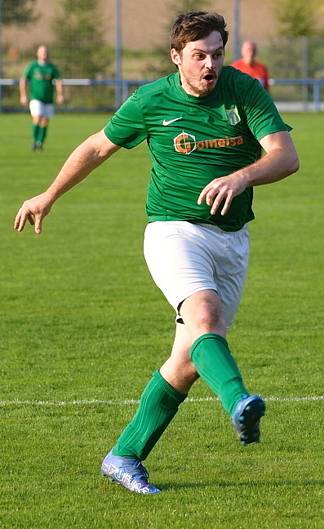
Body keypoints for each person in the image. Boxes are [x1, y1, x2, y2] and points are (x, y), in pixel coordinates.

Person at [13, 11, 299, 494]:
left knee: (188, 360)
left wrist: (242, 175)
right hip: (173, 231)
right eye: (199, 56)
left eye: (216, 54)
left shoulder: (244, 90)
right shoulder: (151, 100)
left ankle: (124, 455)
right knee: (203, 315)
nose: (210, 65)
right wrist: (49, 194)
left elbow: (285, 155)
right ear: (176, 57)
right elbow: (96, 147)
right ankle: (239, 401)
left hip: (231, 239)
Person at [20, 45, 64, 151]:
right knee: (37, 117)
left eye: (46, 52)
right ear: (37, 54)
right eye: (42, 52)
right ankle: (35, 140)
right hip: (36, 97)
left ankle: (40, 143)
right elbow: (23, 80)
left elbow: (58, 82)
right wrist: (23, 95)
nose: (44, 54)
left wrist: (60, 94)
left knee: (45, 120)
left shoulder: (51, 67)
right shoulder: (33, 66)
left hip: (48, 98)